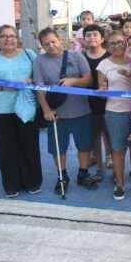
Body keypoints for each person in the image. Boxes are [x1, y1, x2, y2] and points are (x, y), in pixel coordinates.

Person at [33, 27, 99, 194]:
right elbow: (39, 88)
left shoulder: (77, 56)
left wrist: (72, 82)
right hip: (57, 113)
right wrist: (46, 110)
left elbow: (88, 79)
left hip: (81, 110)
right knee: (58, 147)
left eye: (53, 41)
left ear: (60, 40)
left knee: (84, 145)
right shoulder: (39, 61)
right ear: (42, 46)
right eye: (46, 44)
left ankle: (83, 174)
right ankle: (62, 176)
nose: (51, 46)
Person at [0, 25, 41, 197]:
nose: (8, 39)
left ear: (17, 38)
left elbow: (40, 77)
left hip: (27, 108)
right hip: (1, 110)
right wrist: (4, 88)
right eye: (3, 36)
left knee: (29, 146)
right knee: (7, 149)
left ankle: (33, 182)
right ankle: (11, 185)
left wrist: (31, 80)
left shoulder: (29, 55)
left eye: (12, 36)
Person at [97, 30, 131, 200]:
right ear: (107, 46)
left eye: (120, 42)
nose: (117, 46)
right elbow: (102, 87)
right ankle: (119, 185)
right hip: (114, 113)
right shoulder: (103, 65)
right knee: (118, 150)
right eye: (112, 43)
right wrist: (102, 90)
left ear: (126, 43)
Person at [82, 24, 111, 174]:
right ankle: (99, 167)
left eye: (95, 35)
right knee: (94, 137)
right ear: (84, 39)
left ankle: (111, 161)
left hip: (109, 104)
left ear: (102, 38)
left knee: (109, 135)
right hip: (88, 104)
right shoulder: (81, 56)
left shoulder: (109, 56)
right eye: (88, 35)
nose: (91, 38)